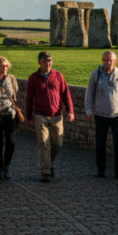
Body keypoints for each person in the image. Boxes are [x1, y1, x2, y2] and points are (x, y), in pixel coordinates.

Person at [85, 50, 118, 179]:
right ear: (103, 61)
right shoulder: (95, 75)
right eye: (108, 60)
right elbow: (89, 94)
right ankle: (101, 170)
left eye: (113, 60)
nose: (111, 62)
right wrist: (89, 110)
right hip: (100, 114)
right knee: (100, 143)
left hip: (117, 115)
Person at [26, 51, 74, 182]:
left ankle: (49, 163)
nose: (49, 63)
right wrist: (29, 117)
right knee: (44, 143)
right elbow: (29, 99)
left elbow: (66, 94)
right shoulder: (33, 78)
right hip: (40, 115)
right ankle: (45, 172)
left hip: (57, 115)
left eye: (50, 60)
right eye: (46, 61)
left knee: (57, 143)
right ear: (40, 62)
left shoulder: (58, 76)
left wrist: (70, 111)